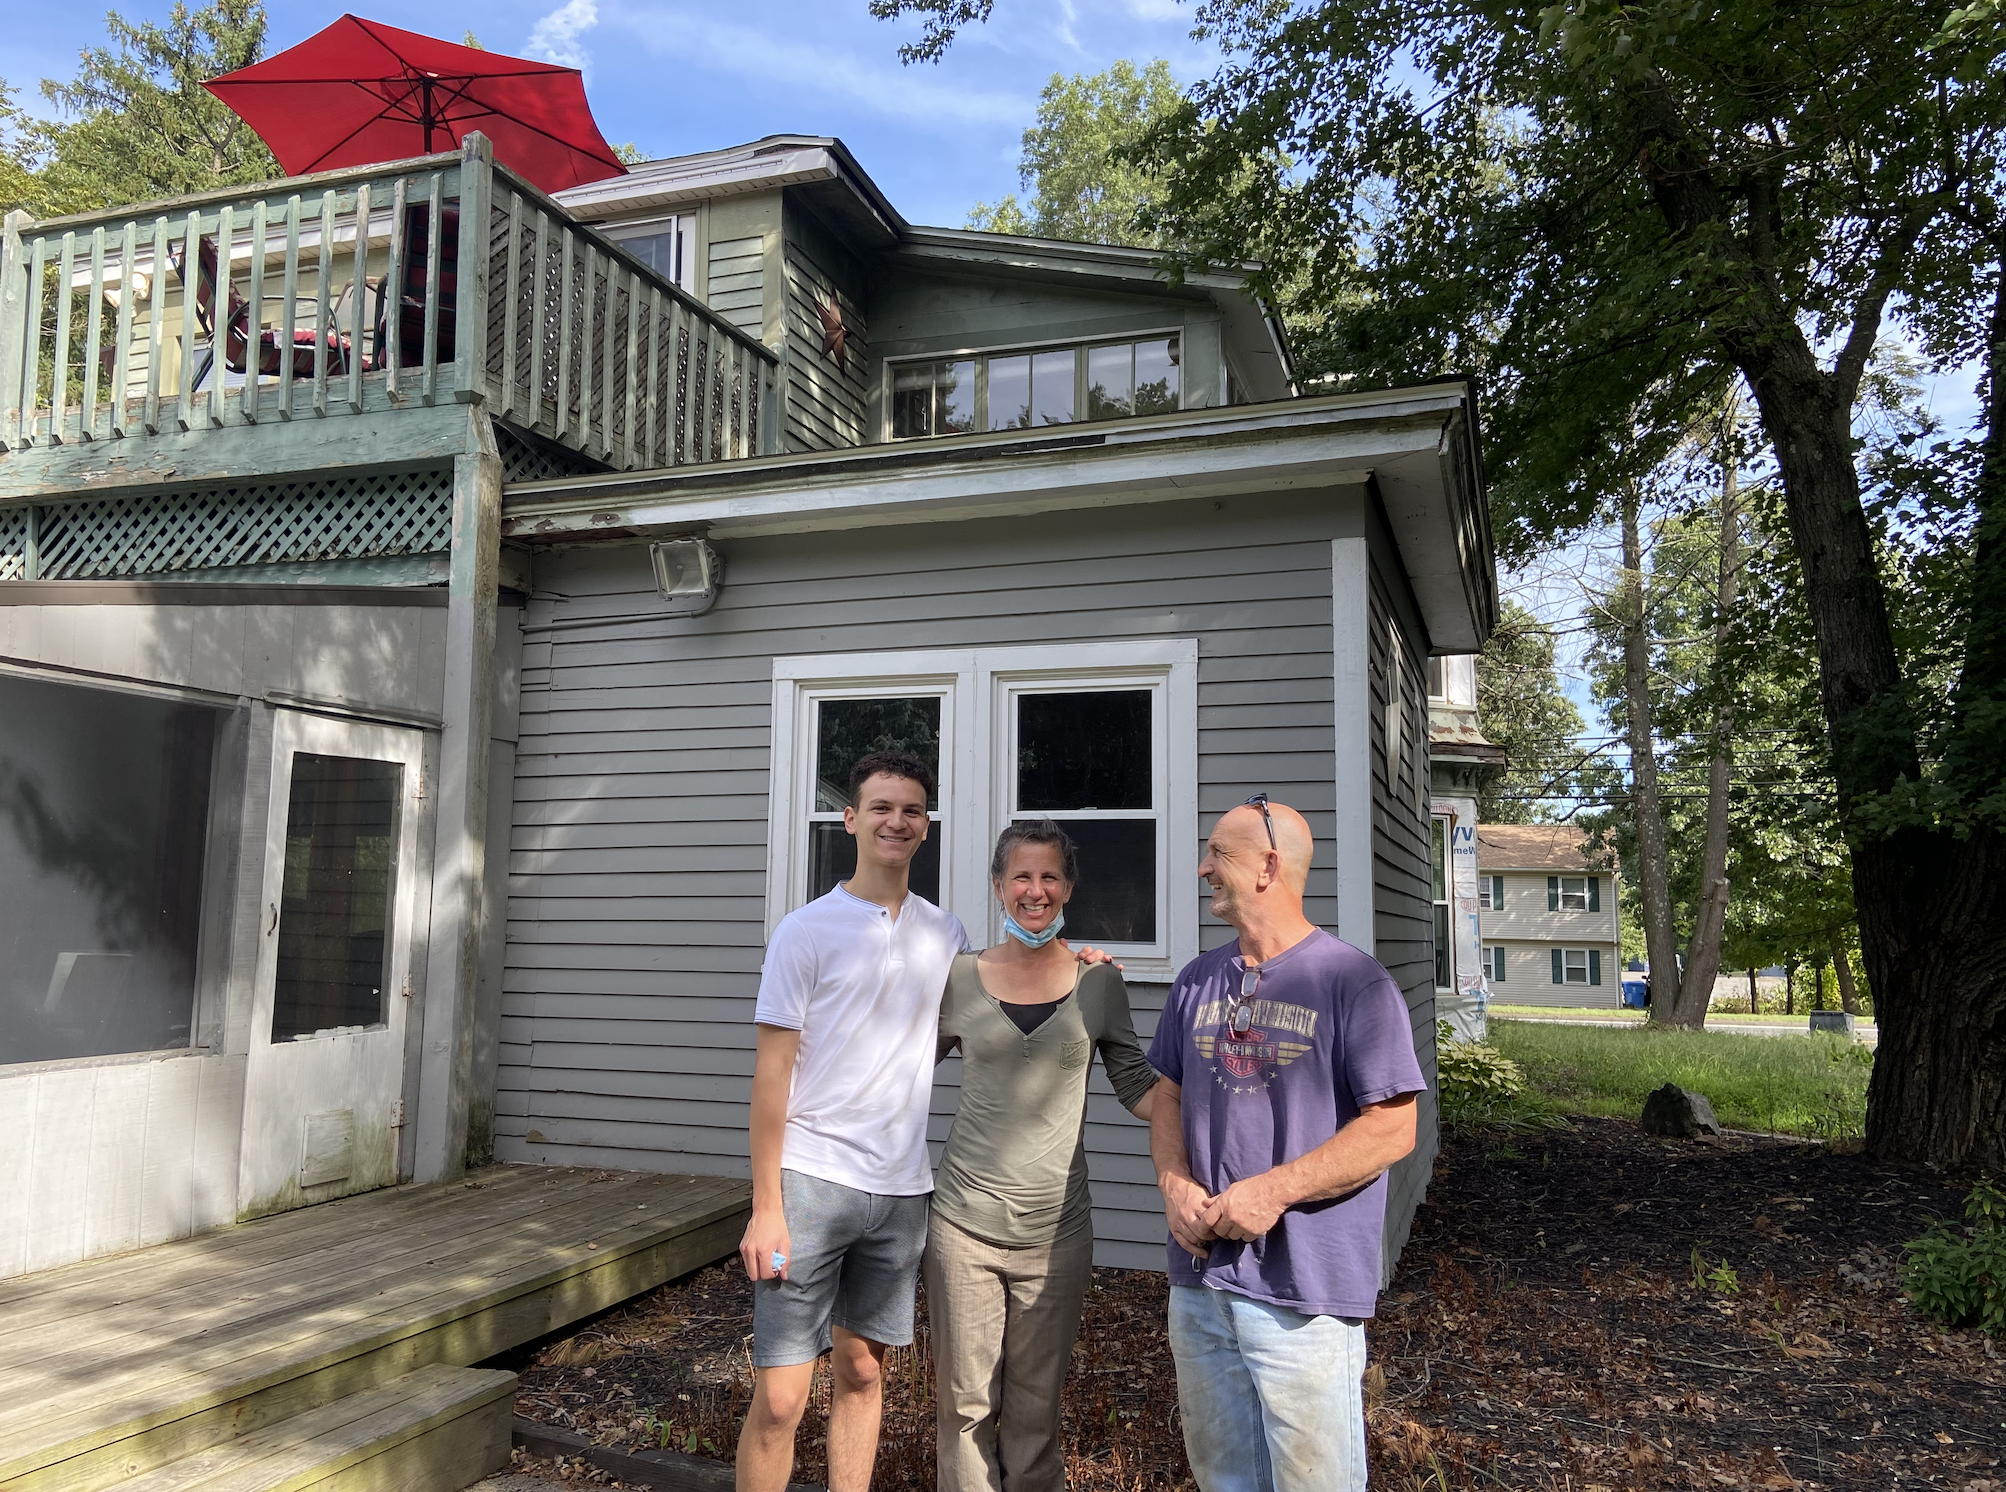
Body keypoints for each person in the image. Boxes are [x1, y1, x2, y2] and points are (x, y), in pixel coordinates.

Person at [1147, 795, 1426, 1492]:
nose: (1203, 867)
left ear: (1270, 866)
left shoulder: (1350, 980)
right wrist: (1173, 1182)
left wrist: (1272, 1191)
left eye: (1220, 854)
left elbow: (1393, 1126)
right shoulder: (1196, 979)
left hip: (1305, 1291)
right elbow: (1169, 1095)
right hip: (1202, 1283)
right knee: (1225, 1479)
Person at [735, 749, 966, 1492]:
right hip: (809, 1183)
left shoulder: (947, 935)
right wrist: (765, 1207)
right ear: (850, 820)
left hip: (901, 1190)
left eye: (911, 810)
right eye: (881, 807)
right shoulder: (805, 930)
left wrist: (1080, 961)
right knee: (780, 1397)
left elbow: (1007, 998)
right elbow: (771, 1075)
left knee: (864, 1373)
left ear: (925, 827)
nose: (896, 820)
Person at [926, 819, 1157, 1492]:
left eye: (1049, 876)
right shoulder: (960, 979)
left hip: (1056, 1236)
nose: (1036, 890)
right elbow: (900, 1074)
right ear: (999, 886)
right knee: (965, 1408)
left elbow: (1138, 1087)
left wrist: (1216, 1106)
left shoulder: (1098, 985)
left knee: (1034, 1412)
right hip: (964, 1226)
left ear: (1069, 887)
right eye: (1021, 876)